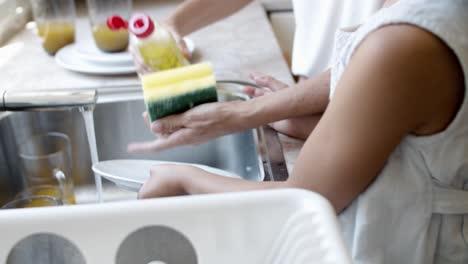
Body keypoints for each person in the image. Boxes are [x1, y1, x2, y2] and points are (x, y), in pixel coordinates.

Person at [129, 0, 468, 263]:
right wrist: (326, 121)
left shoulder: (400, 43)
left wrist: (184, 181)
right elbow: (406, 127)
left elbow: (303, 200)